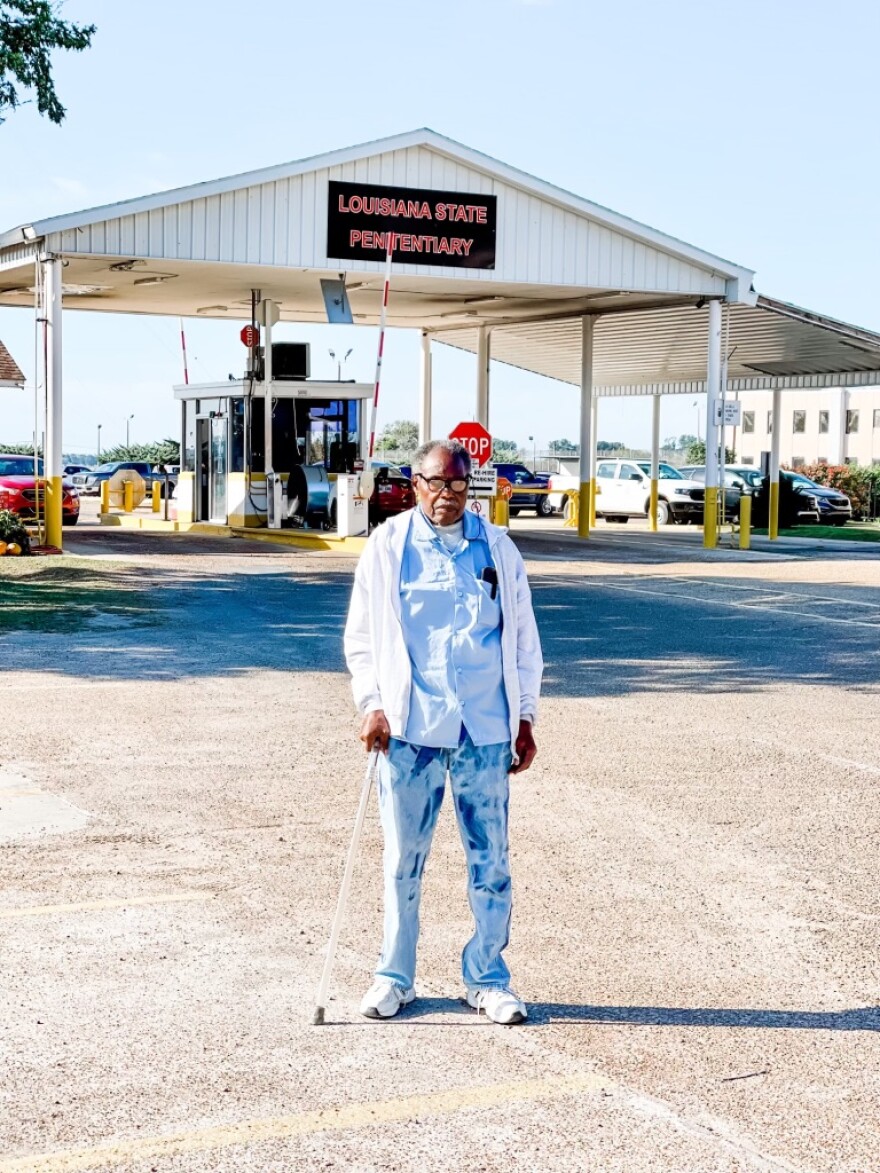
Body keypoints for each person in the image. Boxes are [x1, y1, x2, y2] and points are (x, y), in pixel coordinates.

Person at [343, 438, 543, 1025]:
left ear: (470, 485)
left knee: (491, 860)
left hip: (484, 728)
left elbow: (524, 638)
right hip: (410, 728)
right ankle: (394, 975)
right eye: (435, 484)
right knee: (404, 856)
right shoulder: (388, 546)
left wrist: (526, 715)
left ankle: (487, 978)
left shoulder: (499, 549)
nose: (446, 497)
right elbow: (362, 636)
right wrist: (373, 703)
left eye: (458, 486)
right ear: (415, 483)